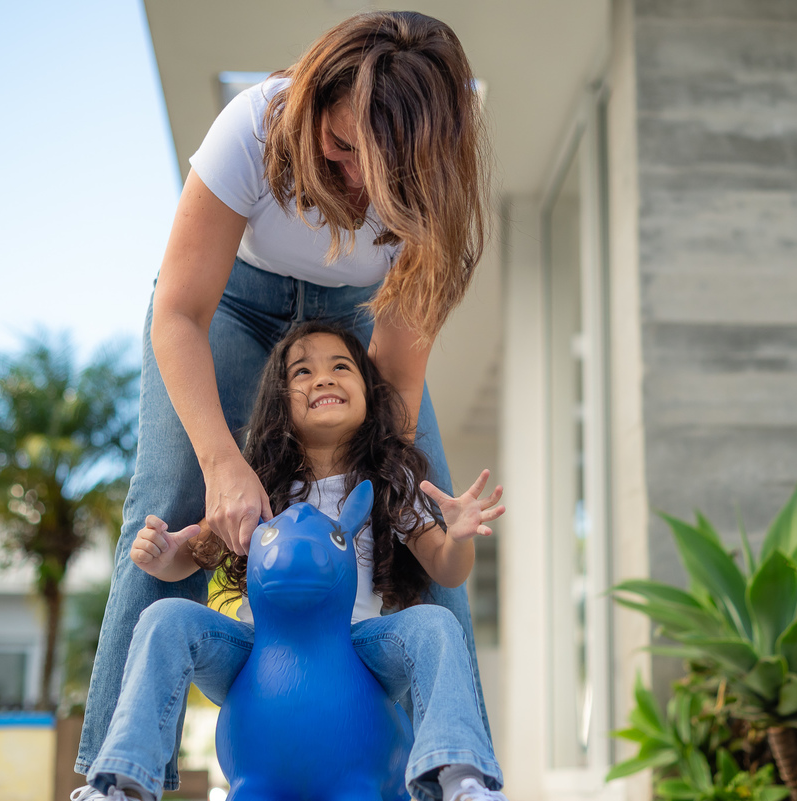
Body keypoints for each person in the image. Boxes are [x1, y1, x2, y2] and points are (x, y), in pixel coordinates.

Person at [74, 9, 493, 794]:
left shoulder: (438, 193)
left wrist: (396, 489)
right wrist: (222, 462)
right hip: (233, 303)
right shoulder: (254, 126)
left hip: (361, 316)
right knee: (170, 496)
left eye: (385, 171)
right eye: (340, 150)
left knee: (425, 502)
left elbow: (395, 379)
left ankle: (452, 776)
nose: (358, 185)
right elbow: (178, 313)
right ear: (311, 112)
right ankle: (118, 774)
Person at [72, 324, 506, 801]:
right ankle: (123, 782)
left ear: (368, 391)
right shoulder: (257, 479)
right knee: (163, 616)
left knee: (437, 623)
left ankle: (461, 779)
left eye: (341, 367)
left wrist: (459, 537)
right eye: (303, 372)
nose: (323, 379)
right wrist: (164, 554)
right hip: (257, 650)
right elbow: (198, 554)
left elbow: (447, 570)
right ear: (280, 402)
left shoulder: (389, 479)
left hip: (359, 645)